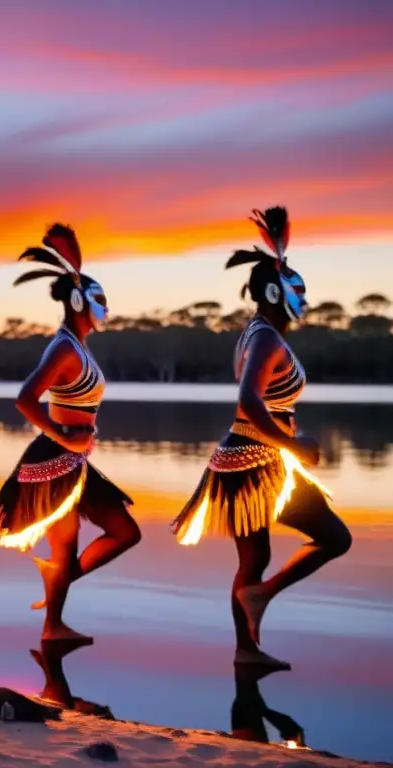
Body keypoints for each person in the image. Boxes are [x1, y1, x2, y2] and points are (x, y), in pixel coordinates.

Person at [172, 207, 352, 669]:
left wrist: (287, 443)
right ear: (275, 291)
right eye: (298, 289)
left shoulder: (262, 333)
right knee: (332, 538)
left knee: (258, 557)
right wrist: (291, 444)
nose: (306, 298)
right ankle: (255, 621)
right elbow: (249, 403)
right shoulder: (267, 339)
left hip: (253, 460)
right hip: (252, 463)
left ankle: (247, 648)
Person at [0, 224, 141, 645]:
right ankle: (53, 627)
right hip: (52, 458)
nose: (106, 307)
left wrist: (77, 441)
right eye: (99, 300)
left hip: (74, 460)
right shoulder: (64, 347)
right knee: (67, 545)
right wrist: (64, 437)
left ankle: (58, 593)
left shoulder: (79, 346)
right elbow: (25, 398)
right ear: (78, 301)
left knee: (125, 532)